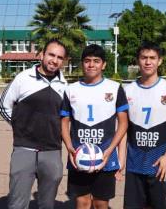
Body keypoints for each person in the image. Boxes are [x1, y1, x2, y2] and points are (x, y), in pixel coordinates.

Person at [0, 39, 68, 209]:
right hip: (24, 149)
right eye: (51, 54)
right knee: (17, 204)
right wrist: (20, 127)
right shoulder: (23, 78)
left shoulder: (65, 86)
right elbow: (1, 106)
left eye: (59, 57)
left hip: (52, 150)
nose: (54, 60)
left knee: (47, 204)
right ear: (42, 55)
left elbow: (67, 119)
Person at [60, 44, 129, 209]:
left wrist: (112, 151)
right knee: (82, 202)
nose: (91, 65)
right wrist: (70, 148)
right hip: (79, 157)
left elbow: (124, 123)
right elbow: (63, 123)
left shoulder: (114, 88)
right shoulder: (70, 90)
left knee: (100, 203)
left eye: (96, 61)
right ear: (82, 63)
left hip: (105, 156)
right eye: (87, 61)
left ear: (104, 64)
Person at [122, 42, 166, 209]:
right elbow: (122, 128)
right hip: (134, 164)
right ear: (138, 61)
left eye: (152, 58)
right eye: (144, 58)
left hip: (161, 164)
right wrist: (121, 160)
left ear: (160, 61)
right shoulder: (126, 90)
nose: (148, 62)